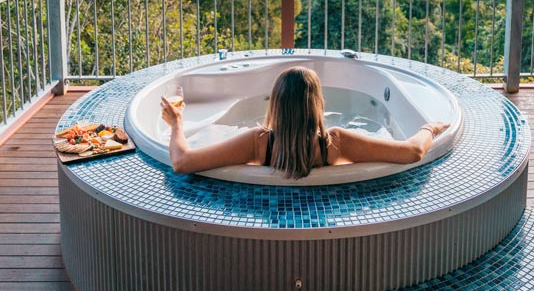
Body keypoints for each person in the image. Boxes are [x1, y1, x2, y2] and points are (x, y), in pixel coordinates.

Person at [161, 65, 449, 179]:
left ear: (275, 104)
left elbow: (182, 162)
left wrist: (176, 123)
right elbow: (412, 151)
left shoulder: (258, 142)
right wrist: (429, 128)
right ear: (318, 104)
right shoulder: (335, 143)